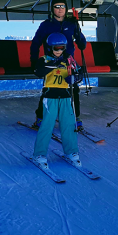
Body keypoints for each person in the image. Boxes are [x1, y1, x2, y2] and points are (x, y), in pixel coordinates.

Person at [30, 0, 87, 131]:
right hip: (51, 61)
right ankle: (41, 117)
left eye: (63, 6)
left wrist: (77, 28)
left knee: (73, 88)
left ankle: (74, 116)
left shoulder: (71, 24)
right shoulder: (46, 25)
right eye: (57, 7)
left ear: (66, 8)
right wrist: (34, 62)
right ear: (52, 9)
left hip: (68, 62)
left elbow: (82, 45)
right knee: (49, 89)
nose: (60, 9)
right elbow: (35, 43)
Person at [32, 32, 84, 168]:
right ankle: (39, 154)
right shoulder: (44, 60)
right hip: (50, 96)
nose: (59, 51)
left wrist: (75, 78)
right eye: (56, 48)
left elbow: (79, 73)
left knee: (68, 125)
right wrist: (54, 64)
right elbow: (38, 72)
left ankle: (71, 152)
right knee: (47, 125)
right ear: (50, 47)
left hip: (66, 96)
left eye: (62, 48)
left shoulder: (69, 59)